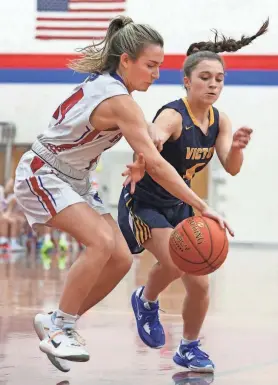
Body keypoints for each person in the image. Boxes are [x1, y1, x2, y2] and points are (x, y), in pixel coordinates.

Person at [14, 15, 231, 372]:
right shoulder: (118, 99)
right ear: (125, 60)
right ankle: (59, 327)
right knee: (100, 241)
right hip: (44, 171)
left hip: (77, 180)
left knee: (119, 258)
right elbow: (160, 164)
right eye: (150, 65)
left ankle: (59, 320)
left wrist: (146, 154)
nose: (156, 74)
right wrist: (202, 206)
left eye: (160, 66)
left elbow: (149, 141)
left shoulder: (116, 93)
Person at [117, 19, 268, 372]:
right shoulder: (173, 115)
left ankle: (188, 347)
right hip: (144, 200)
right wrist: (144, 154)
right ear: (187, 80)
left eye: (219, 78)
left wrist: (239, 149)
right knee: (173, 260)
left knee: (200, 283)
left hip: (178, 203)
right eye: (205, 77)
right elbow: (153, 135)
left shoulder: (220, 120)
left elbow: (230, 167)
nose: (213, 84)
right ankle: (146, 298)